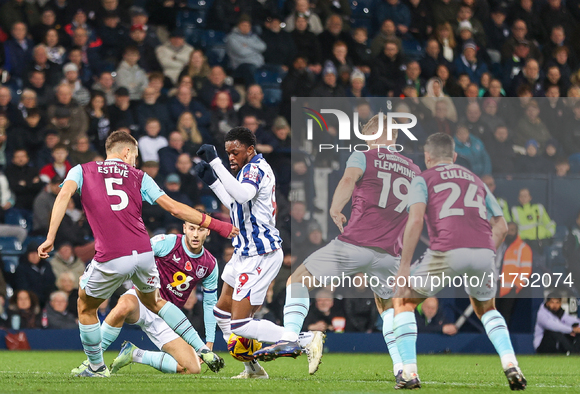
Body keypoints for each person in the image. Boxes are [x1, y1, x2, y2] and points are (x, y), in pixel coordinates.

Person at [37, 131, 238, 377]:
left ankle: (96, 367)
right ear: (126, 152)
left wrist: (50, 237)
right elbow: (175, 208)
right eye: (135, 156)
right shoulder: (140, 176)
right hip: (144, 251)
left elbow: (64, 195)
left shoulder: (81, 170)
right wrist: (220, 226)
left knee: (85, 306)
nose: (135, 161)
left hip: (112, 254)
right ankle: (200, 348)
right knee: (155, 300)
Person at [252, 114, 421, 379]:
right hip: (390, 253)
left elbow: (348, 180)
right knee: (388, 307)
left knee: (298, 279)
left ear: (373, 136)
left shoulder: (363, 156)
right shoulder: (413, 169)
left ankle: (290, 337)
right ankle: (401, 368)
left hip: (355, 243)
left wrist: (334, 207)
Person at [392, 133, 525, 390]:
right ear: (454, 157)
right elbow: (502, 227)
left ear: (427, 157)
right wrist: (485, 254)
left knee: (404, 302)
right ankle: (511, 364)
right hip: (484, 250)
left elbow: (416, 220)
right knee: (487, 309)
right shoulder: (477, 180)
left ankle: (409, 372)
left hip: (447, 249)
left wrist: (405, 265)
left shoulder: (423, 178)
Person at [194, 127, 320, 379]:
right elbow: (234, 204)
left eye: (235, 152)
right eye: (227, 152)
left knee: (240, 323)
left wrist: (216, 163)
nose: (230, 157)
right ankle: (253, 369)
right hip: (243, 251)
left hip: (260, 254)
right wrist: (214, 182)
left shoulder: (255, 169)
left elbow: (241, 195)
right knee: (221, 313)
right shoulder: (244, 170)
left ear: (250, 150)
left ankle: (303, 339)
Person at [72, 220, 220, 375]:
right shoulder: (167, 242)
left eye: (201, 230)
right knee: (123, 307)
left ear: (208, 232)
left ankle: (135, 354)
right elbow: (132, 256)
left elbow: (210, 304)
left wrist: (209, 342)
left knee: (192, 369)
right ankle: (92, 362)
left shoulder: (209, 264)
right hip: (143, 299)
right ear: (184, 228)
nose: (196, 234)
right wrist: (96, 275)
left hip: (168, 316)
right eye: (192, 228)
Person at [495, 222, 533, 324]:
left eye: (512, 230)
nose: (509, 233)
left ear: (516, 231)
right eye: (508, 230)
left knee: (505, 317)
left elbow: (526, 271)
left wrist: (516, 287)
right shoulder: (498, 245)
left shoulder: (523, 248)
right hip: (495, 286)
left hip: (510, 289)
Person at [511, 188, 556, 252]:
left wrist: (548, 234)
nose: (523, 198)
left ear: (530, 197)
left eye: (525, 196)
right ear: (518, 198)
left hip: (542, 241)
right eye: (521, 196)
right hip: (525, 242)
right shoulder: (515, 210)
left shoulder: (539, 208)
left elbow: (549, 224)